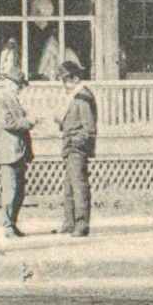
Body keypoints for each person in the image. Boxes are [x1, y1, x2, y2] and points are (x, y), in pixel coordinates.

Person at [0, 40, 39, 238]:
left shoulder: (14, 99)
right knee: (10, 190)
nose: (20, 89)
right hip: (7, 151)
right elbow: (8, 123)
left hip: (18, 150)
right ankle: (7, 225)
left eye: (21, 86)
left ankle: (13, 223)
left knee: (19, 190)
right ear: (9, 83)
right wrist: (28, 121)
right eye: (18, 85)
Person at [55, 57, 97, 237]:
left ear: (74, 78)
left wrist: (76, 141)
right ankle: (69, 222)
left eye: (65, 80)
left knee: (78, 185)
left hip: (76, 146)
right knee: (69, 186)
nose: (64, 84)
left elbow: (88, 127)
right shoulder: (74, 96)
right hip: (69, 144)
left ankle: (81, 224)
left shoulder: (82, 96)